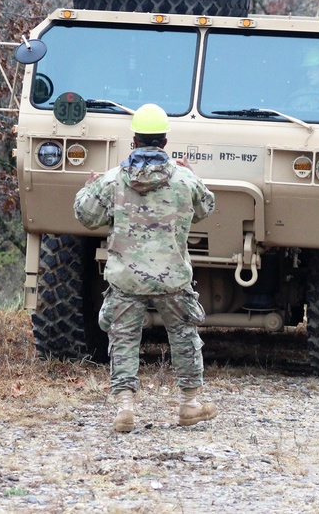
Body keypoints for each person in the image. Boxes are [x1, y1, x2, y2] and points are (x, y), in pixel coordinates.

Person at [73, 103, 218, 433]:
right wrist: (191, 175)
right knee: (183, 337)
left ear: (134, 141)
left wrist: (87, 187)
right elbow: (206, 207)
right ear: (165, 141)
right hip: (173, 277)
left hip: (126, 278)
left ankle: (124, 408)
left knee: (123, 340)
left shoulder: (112, 180)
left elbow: (86, 216)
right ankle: (190, 403)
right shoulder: (182, 179)